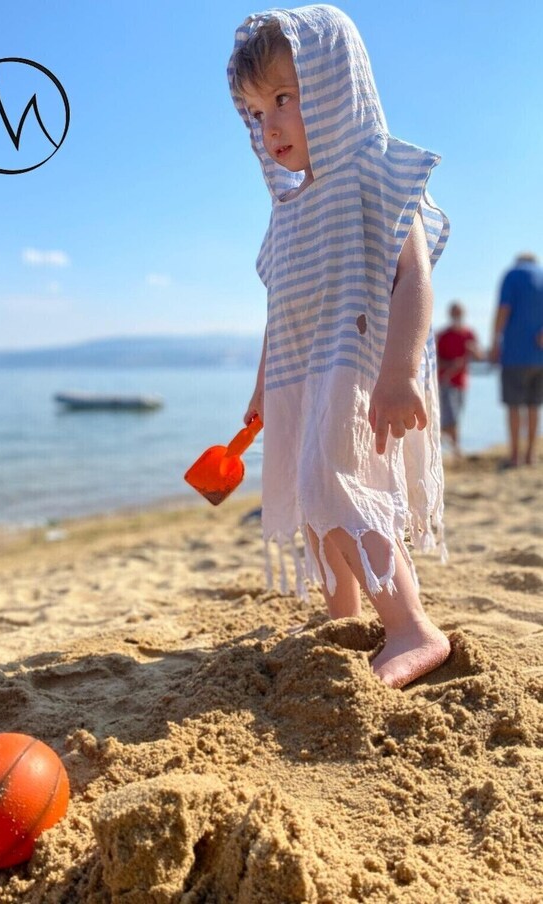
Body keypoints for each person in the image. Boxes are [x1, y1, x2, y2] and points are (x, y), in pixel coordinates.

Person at [228, 5, 451, 689]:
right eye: (258, 111)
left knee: (346, 488)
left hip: (360, 369)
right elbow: (281, 308)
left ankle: (412, 626)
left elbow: (412, 276)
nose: (272, 124)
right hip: (302, 374)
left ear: (335, 86)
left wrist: (400, 372)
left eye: (286, 98)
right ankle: (342, 614)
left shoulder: (372, 172)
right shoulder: (290, 210)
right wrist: (265, 385)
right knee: (309, 491)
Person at [491, 253, 543, 467]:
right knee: (534, 406)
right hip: (539, 355)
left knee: (514, 406)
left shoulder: (512, 275)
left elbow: (504, 309)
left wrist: (495, 341)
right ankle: (531, 456)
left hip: (514, 353)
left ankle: (515, 457)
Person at [436, 301, 481, 456]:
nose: (457, 316)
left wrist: (473, 350)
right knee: (452, 416)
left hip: (462, 382)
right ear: (450, 314)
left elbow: (480, 356)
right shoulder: (442, 336)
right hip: (445, 381)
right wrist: (450, 364)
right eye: (454, 313)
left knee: (456, 415)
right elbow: (433, 360)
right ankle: (454, 448)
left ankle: (446, 443)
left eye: (459, 313)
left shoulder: (469, 334)